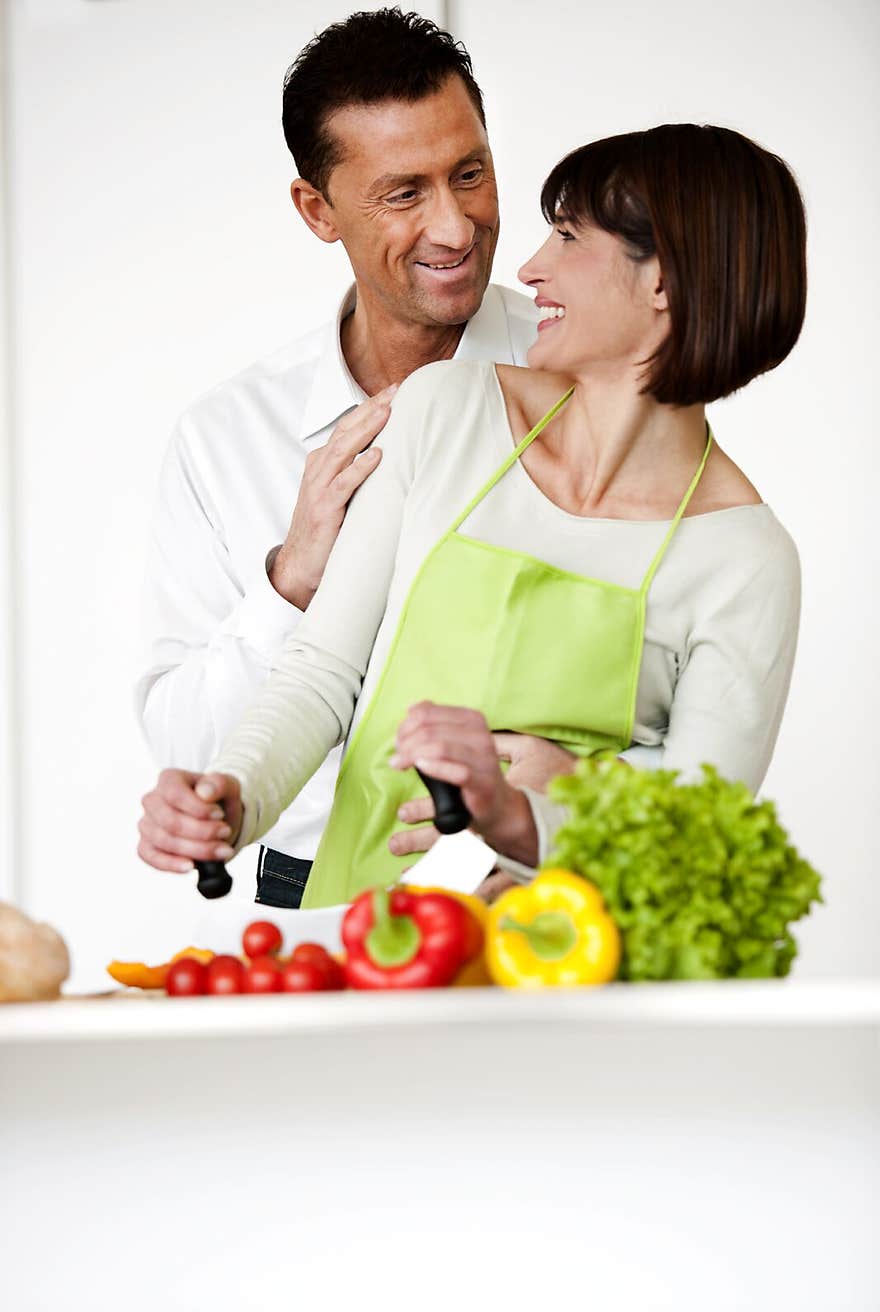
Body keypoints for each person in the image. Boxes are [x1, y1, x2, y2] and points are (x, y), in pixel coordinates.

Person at [140, 122, 806, 909]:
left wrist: (541, 812)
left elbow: (703, 841)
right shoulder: (444, 411)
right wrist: (234, 795)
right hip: (368, 932)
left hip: (575, 964)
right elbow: (322, 673)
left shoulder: (745, 558)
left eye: (566, 236)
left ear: (662, 279)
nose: (529, 269)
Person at [135, 9, 579, 908]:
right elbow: (188, 756)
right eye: (403, 193)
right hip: (314, 905)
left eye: (471, 173)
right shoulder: (226, 439)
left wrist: (582, 787)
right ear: (317, 210)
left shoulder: (584, 367)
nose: (455, 228)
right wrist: (290, 578)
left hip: (548, 882)